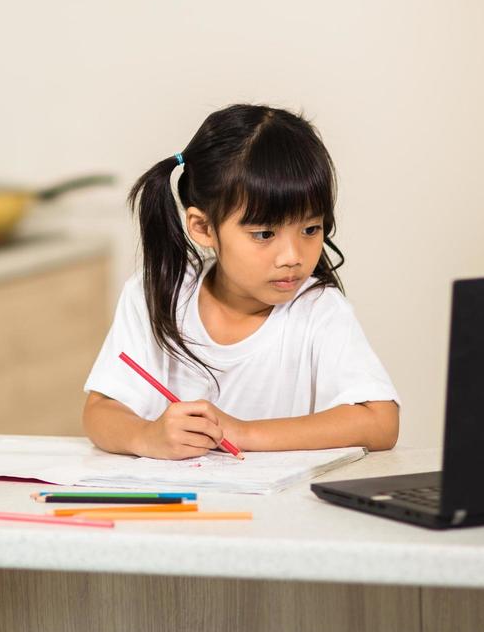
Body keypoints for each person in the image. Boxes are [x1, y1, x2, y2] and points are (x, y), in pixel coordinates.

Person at [82, 104, 400, 459]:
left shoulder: (318, 309)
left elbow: (381, 422)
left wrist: (243, 432)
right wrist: (146, 437)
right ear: (202, 228)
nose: (292, 256)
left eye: (311, 229)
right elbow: (99, 412)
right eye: (264, 234)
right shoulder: (157, 294)